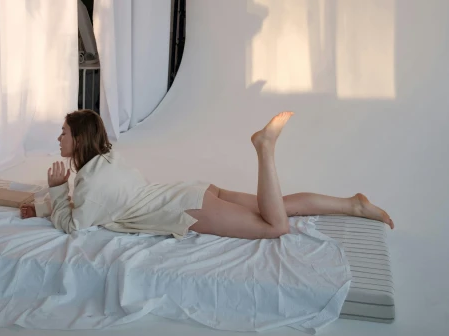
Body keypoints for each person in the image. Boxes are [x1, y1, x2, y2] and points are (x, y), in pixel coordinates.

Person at [20, 110, 394, 239]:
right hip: (189, 192)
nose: (59, 138)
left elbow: (75, 224)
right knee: (278, 207)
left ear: (79, 138)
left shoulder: (92, 183)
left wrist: (55, 191)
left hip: (188, 209)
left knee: (274, 226)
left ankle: (264, 149)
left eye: (64, 133)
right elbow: (86, 202)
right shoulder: (107, 161)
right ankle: (352, 205)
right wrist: (45, 202)